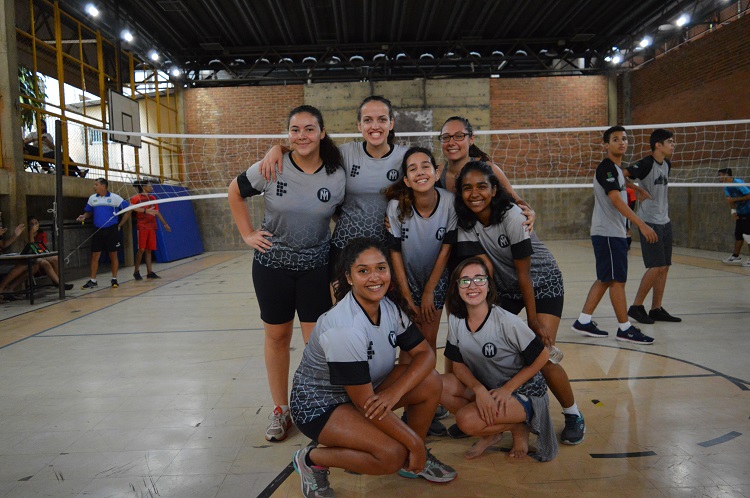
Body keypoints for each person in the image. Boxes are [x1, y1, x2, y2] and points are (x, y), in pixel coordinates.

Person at [289, 238, 456, 498]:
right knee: (391, 455)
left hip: (366, 390)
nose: (374, 277)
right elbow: (365, 404)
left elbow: (425, 354)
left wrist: (393, 393)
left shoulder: (389, 308)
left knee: (431, 381)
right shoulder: (345, 328)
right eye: (363, 270)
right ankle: (311, 459)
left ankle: (413, 461)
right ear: (349, 277)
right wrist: (414, 444)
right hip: (321, 406)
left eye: (380, 268)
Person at [228, 105, 346, 442]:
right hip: (272, 266)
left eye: (309, 129)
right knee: (278, 337)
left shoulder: (337, 174)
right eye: (295, 130)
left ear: (322, 133)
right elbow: (234, 192)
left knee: (315, 345)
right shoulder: (272, 166)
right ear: (288, 135)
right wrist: (247, 234)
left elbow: (342, 214)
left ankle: (314, 406)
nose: (302, 136)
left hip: (315, 268)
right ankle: (281, 410)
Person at [453, 161, 585, 445]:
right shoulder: (465, 222)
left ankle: (573, 413)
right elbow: (481, 265)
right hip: (505, 286)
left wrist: (533, 319)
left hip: (541, 281)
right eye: (467, 188)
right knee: (486, 347)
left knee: (542, 352)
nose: (474, 193)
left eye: (481, 187)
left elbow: (524, 273)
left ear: (494, 189)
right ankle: (502, 413)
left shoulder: (512, 215)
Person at [260, 96, 408, 282]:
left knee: (383, 306)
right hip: (344, 245)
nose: (375, 126)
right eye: (367, 120)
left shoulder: (405, 158)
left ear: (391, 123)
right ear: (359, 125)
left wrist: (402, 218)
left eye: (382, 119)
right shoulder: (344, 153)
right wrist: (277, 149)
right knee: (340, 305)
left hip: (386, 246)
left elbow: (425, 186)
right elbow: (305, 149)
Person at [439, 257, 557, 461]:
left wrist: (507, 389)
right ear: (457, 287)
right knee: (438, 385)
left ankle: (520, 426)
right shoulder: (456, 320)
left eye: (479, 279)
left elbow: (542, 357)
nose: (472, 286)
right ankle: (492, 432)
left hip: (524, 390)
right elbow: (457, 366)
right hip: (489, 386)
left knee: (465, 421)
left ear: (488, 284)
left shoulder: (506, 321)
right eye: (465, 280)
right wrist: (478, 389)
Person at [384, 146, 457, 436]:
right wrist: (406, 294)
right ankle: (408, 405)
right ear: (406, 179)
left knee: (428, 341)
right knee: (409, 344)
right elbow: (396, 254)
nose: (420, 172)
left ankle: (425, 401)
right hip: (406, 278)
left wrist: (428, 293)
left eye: (425, 166)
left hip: (435, 278)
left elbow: (446, 250)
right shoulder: (397, 207)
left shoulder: (449, 202)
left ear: (436, 171)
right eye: (412, 168)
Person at [571, 126, 658, 345]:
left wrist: (636, 188)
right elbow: (616, 200)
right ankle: (625, 328)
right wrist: (641, 225)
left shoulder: (616, 169)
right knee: (617, 281)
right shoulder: (606, 168)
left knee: (606, 278)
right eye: (616, 139)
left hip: (612, 233)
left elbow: (619, 183)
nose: (621, 142)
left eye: (624, 139)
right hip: (609, 234)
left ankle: (583, 320)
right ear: (606, 145)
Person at [437, 116, 534, 231]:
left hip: (492, 238)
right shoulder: (435, 173)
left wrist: (530, 212)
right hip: (460, 238)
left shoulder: (488, 168)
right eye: (446, 137)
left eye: (459, 136)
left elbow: (517, 201)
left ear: (471, 139)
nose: (451, 142)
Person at [625, 129, 681, 324]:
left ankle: (656, 308)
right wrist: (638, 189)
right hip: (649, 221)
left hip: (664, 220)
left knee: (664, 267)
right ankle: (636, 307)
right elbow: (621, 175)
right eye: (670, 142)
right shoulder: (646, 163)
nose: (673, 145)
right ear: (658, 145)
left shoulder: (666, 164)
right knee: (656, 266)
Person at [76, 178, 129, 289]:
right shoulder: (92, 198)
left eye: (96, 184)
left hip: (111, 229)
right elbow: (89, 212)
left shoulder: (114, 198)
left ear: (103, 186)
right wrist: (84, 216)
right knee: (95, 255)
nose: (94, 187)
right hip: (97, 229)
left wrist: (120, 224)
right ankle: (93, 280)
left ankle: (114, 279)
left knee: (113, 254)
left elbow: (129, 209)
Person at [129, 181, 171, 280]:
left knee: (149, 250)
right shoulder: (136, 198)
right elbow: (131, 208)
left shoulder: (152, 198)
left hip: (152, 226)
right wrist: (145, 211)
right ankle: (136, 271)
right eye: (149, 185)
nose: (151, 187)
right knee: (141, 249)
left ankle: (149, 272)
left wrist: (165, 224)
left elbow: (157, 212)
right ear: (143, 187)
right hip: (142, 226)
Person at [718, 168, 750, 267]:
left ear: (727, 175)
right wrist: (733, 211)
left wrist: (735, 199)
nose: (719, 177)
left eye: (720, 175)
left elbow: (749, 195)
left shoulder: (738, 183)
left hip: (749, 211)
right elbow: (729, 200)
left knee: (748, 236)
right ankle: (735, 256)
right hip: (741, 212)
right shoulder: (726, 186)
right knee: (739, 235)